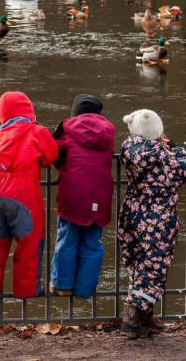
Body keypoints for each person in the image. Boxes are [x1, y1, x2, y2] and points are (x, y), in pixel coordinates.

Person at [117, 109, 186, 338]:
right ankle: (132, 317)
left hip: (131, 213)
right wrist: (175, 148)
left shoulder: (128, 148)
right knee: (154, 267)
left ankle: (144, 317)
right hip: (158, 218)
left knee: (138, 264)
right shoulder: (167, 157)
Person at [0, 91, 59, 299]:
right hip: (25, 194)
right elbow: (51, 156)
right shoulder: (36, 131)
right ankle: (26, 291)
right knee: (29, 246)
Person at [49, 94, 115, 298]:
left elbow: (54, 154)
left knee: (67, 240)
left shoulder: (67, 130)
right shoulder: (108, 132)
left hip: (73, 194)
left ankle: (63, 286)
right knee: (93, 243)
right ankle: (85, 290)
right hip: (100, 195)